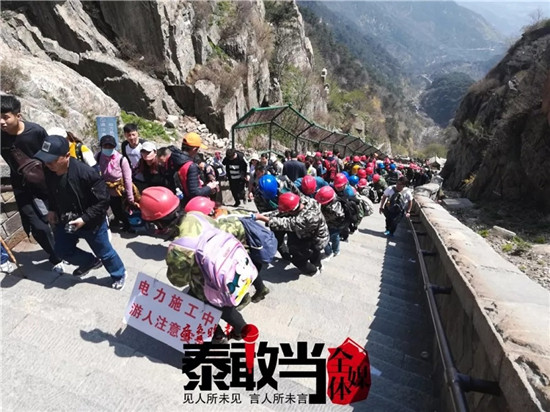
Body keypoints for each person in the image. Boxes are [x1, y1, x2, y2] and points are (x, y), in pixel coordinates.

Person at [139, 187, 260, 343]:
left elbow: (178, 281)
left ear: (157, 223)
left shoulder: (178, 249)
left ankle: (221, 335)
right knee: (224, 306)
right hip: (228, 268)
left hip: (208, 285)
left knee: (197, 305)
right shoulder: (196, 215)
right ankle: (241, 330)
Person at [34, 135, 127, 289]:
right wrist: (51, 209)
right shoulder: (49, 170)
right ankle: (89, 262)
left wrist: (84, 219)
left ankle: (119, 274)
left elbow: (103, 201)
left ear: (66, 156)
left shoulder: (87, 174)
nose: (48, 163)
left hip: (91, 223)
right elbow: (51, 192)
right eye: (45, 160)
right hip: (66, 219)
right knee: (61, 250)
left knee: (105, 253)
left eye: (52, 160)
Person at [0, 95, 64, 273]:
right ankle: (55, 257)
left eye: (6, 117)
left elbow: (50, 154)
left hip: (45, 182)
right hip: (21, 185)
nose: (2, 122)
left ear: (18, 116)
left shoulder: (35, 132)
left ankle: (67, 246)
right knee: (37, 225)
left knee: (59, 216)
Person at [255, 193, 329, 276]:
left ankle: (313, 271)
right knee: (315, 253)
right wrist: (265, 214)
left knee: (298, 260)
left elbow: (284, 223)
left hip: (315, 240)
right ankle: (318, 265)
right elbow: (283, 211)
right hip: (319, 234)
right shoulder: (309, 201)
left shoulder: (303, 220)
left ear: (292, 211)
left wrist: (262, 218)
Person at [96, 135, 139, 232]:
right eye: (105, 146)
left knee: (120, 209)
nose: (108, 149)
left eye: (110, 147)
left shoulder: (121, 159)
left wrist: (130, 196)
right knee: (108, 208)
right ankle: (114, 221)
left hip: (119, 190)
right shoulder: (98, 156)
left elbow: (127, 179)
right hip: (104, 189)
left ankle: (127, 224)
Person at [176, 132, 218, 205]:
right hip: (192, 203)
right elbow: (195, 192)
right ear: (194, 149)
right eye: (198, 149)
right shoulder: (191, 166)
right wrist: (209, 187)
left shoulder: (176, 159)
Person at [315, 185, 345, 260]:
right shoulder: (334, 197)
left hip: (333, 225)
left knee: (327, 238)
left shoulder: (332, 209)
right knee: (335, 237)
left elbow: (324, 218)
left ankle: (331, 252)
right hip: (334, 224)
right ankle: (335, 250)